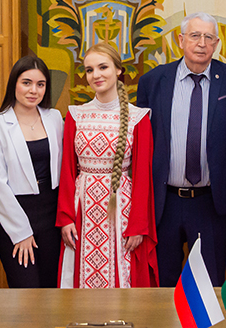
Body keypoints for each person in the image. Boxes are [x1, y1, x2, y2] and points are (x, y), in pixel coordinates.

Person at [137, 13, 226, 287]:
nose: (202, 43)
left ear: (217, 44)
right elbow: (140, 144)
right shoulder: (153, 81)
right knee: (163, 283)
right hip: (164, 202)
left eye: (209, 37)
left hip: (211, 201)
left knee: (208, 285)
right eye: (195, 36)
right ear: (180, 40)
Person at [57, 42, 158, 287]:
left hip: (122, 209)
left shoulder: (138, 118)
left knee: (122, 276)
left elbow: (143, 177)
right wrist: (66, 217)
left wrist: (138, 225)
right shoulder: (76, 115)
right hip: (82, 208)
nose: (96, 75)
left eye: (103, 67)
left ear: (118, 70)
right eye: (89, 70)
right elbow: (67, 171)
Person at [0, 55, 64, 288]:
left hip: (52, 216)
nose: (33, 90)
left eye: (40, 84)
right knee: (25, 292)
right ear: (14, 84)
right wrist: (21, 232)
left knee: (52, 291)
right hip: (16, 214)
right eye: (26, 82)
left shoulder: (55, 118)